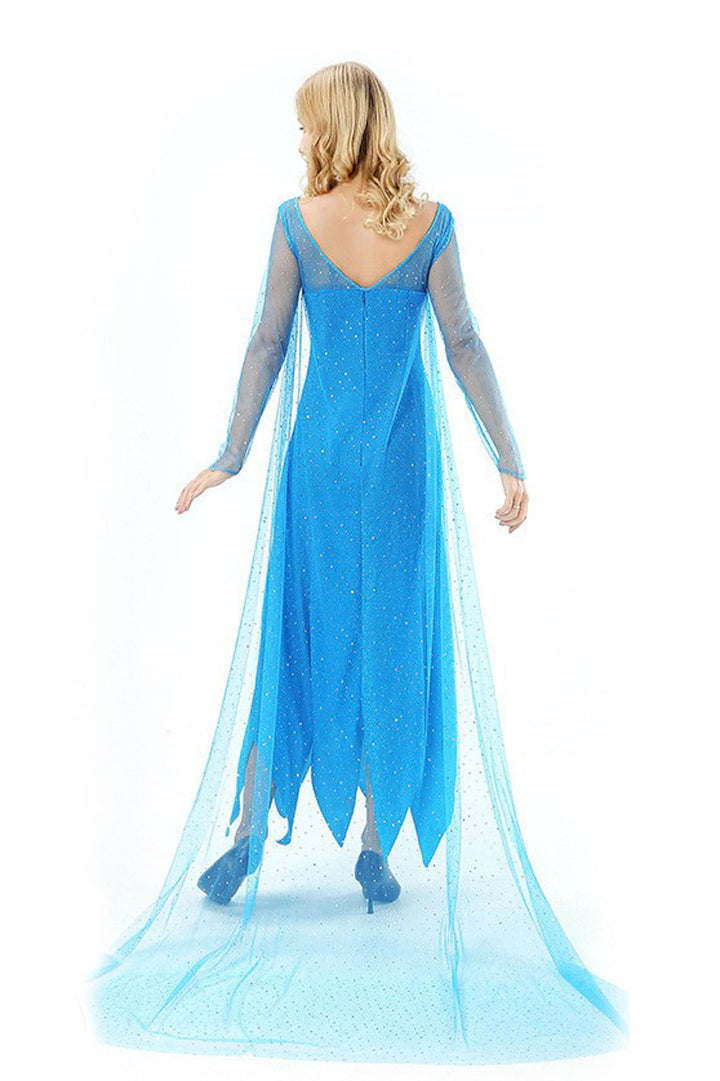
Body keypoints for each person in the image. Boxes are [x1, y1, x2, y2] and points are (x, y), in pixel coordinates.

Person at [86, 61, 627, 1063]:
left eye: (306, 126)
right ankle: (376, 842)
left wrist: (230, 454)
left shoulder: (298, 223)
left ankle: (248, 828)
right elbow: (464, 344)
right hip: (403, 470)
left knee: (299, 631)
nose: (299, 142)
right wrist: (510, 458)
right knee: (392, 636)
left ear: (333, 127)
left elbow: (264, 343)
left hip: (322, 465)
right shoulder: (431, 224)